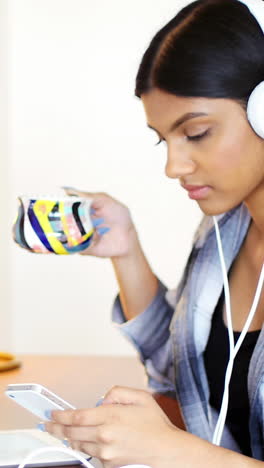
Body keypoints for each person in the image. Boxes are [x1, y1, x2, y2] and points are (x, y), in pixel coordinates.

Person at [44, 0, 264, 466]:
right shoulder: (222, 231)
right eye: (165, 139)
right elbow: (185, 376)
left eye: (197, 132)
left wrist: (174, 451)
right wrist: (125, 251)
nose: (173, 167)